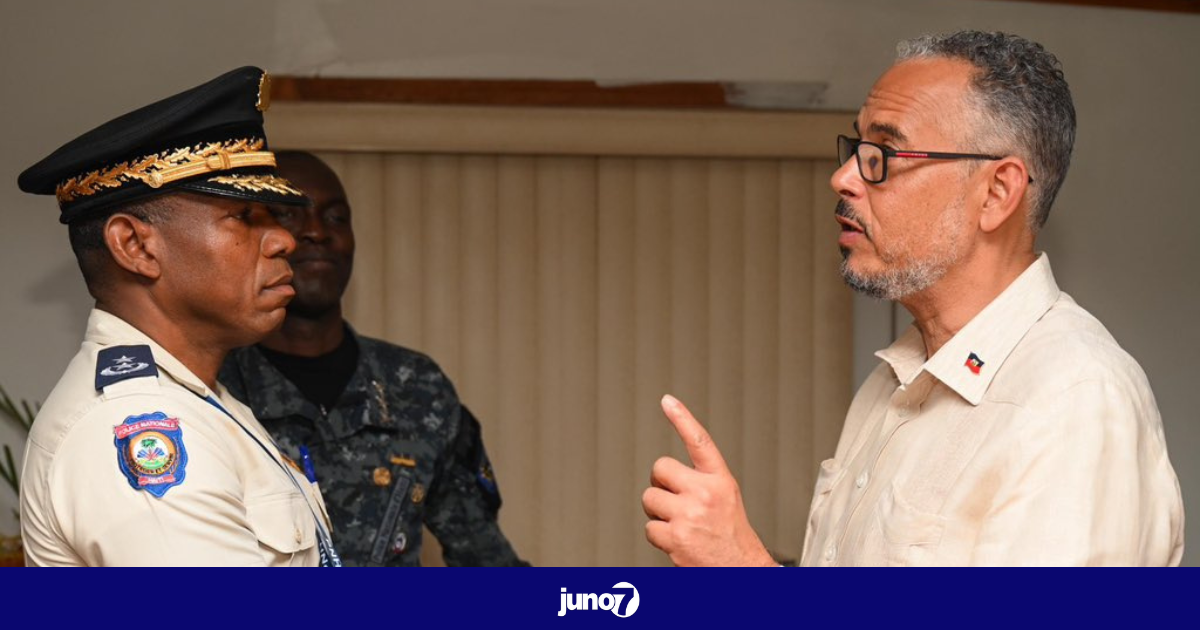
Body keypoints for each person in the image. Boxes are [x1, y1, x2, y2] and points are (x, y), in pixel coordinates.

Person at [642, 31, 1184, 566]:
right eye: (856, 148)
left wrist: (742, 568)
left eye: (883, 153)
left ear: (996, 192)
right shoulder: (891, 383)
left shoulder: (1074, 402)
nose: (843, 178)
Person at [17, 67, 339, 566]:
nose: (284, 240)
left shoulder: (200, 398)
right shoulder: (136, 426)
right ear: (135, 245)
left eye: (274, 217)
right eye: (243, 217)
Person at [219, 151, 526, 566]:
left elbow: (487, 561)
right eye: (288, 214)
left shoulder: (416, 386)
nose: (317, 232)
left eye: (336, 218)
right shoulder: (215, 386)